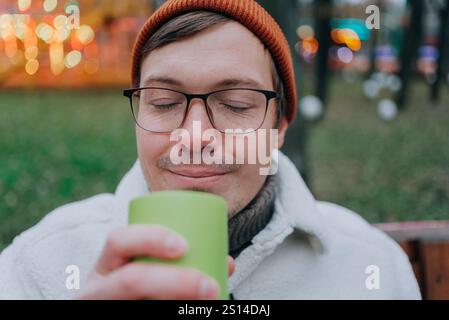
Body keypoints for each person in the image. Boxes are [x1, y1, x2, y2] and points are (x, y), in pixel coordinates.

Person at [0, 0, 420, 299]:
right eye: (164, 103)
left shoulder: (371, 267)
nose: (195, 135)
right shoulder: (41, 264)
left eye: (235, 104)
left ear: (280, 126)